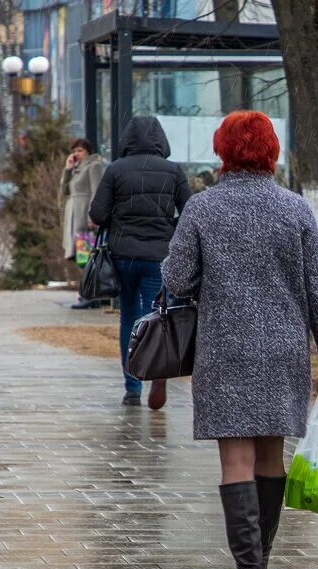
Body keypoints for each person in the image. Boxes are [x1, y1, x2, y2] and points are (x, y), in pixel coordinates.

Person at [162, 110, 318, 569]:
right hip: (284, 351)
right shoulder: (295, 209)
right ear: (272, 151)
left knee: (235, 463)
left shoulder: (203, 208)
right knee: (271, 459)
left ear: (223, 151)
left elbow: (177, 278)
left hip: (225, 349)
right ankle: (261, 563)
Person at [89, 115, 190, 409]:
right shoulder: (173, 171)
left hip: (123, 255)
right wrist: (170, 229)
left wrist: (119, 218)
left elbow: (97, 213)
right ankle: (158, 372)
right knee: (158, 318)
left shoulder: (116, 170)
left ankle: (132, 386)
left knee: (129, 319)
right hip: (159, 255)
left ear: (128, 140)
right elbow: (191, 208)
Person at [60, 137, 106, 310]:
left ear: (88, 151)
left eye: (80, 150)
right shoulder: (76, 169)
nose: (76, 154)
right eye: (75, 151)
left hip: (84, 215)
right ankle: (87, 292)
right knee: (80, 256)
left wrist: (92, 216)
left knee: (86, 256)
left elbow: (96, 192)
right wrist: (68, 169)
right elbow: (64, 190)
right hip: (73, 215)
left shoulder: (94, 166)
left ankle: (90, 294)